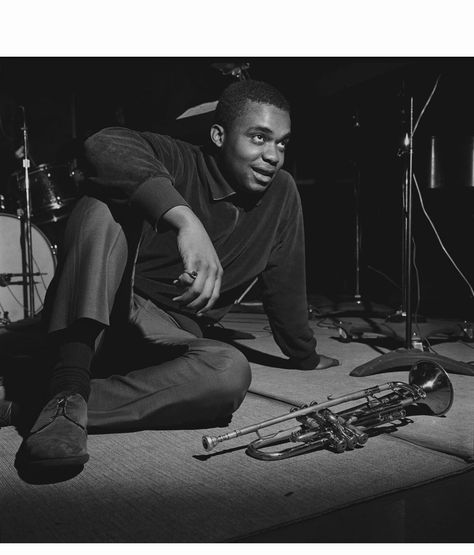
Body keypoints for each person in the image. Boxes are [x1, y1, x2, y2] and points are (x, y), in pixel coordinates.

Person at [0, 79, 339, 470]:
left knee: (228, 372)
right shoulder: (177, 158)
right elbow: (103, 145)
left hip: (163, 336)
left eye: (282, 142)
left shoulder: (282, 193)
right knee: (100, 206)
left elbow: (286, 279)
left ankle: (41, 401)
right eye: (259, 138)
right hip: (105, 308)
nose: (273, 155)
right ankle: (66, 382)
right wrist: (184, 220)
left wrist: (305, 355)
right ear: (218, 135)